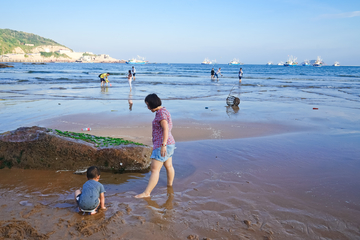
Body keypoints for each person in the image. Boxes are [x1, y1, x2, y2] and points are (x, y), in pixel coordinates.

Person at [135, 94, 176, 198]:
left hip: (162, 144)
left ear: (151, 104)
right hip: (170, 142)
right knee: (169, 166)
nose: (148, 108)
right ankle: (169, 185)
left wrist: (163, 145)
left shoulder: (161, 114)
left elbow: (165, 128)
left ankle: (147, 193)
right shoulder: (164, 110)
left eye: (147, 105)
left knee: (154, 169)